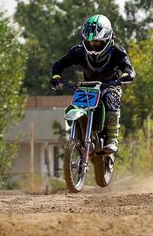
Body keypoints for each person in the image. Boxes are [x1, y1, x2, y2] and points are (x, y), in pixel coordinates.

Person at [49, 14, 135, 154]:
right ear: (84, 40)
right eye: (90, 42)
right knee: (76, 102)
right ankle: (78, 135)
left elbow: (128, 67)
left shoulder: (117, 52)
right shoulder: (78, 52)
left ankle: (112, 139)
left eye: (98, 42)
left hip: (111, 86)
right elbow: (59, 64)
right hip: (88, 87)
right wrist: (56, 76)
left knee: (109, 97)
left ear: (108, 39)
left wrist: (127, 75)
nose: (93, 45)